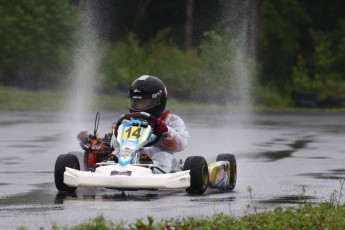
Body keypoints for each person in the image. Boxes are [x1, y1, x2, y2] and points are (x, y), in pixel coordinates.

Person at [110, 75, 190, 173]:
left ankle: (151, 170)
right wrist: (118, 135)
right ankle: (110, 166)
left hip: (157, 159)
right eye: (135, 102)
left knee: (164, 156)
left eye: (143, 102)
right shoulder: (125, 120)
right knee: (116, 152)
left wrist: (165, 132)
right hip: (128, 156)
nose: (138, 106)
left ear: (158, 101)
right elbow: (114, 145)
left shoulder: (171, 120)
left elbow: (182, 143)